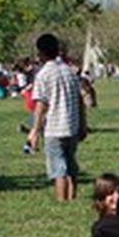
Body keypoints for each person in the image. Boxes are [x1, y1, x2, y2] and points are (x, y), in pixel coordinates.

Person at [28, 32, 88, 200]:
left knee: (58, 168)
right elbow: (80, 100)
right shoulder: (69, 71)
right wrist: (83, 124)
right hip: (72, 124)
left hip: (54, 127)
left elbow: (41, 104)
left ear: (40, 53)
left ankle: (61, 200)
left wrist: (35, 130)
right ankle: (72, 196)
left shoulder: (44, 74)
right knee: (71, 165)